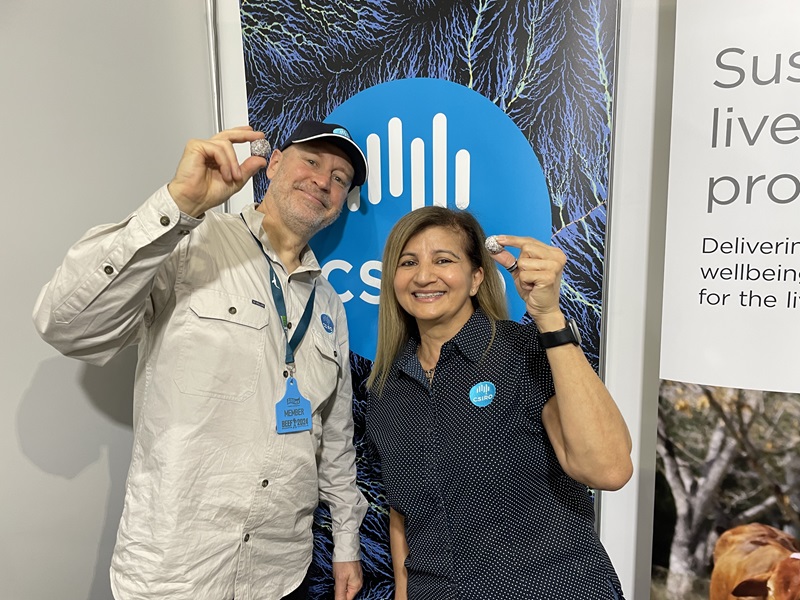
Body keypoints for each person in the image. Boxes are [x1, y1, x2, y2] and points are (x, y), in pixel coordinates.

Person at [33, 121, 370, 600]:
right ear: (273, 164)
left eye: (340, 178)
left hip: (281, 573)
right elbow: (64, 325)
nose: (323, 181)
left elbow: (335, 440)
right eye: (312, 161)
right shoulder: (192, 243)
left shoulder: (329, 305)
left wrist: (345, 546)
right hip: (178, 572)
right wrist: (179, 205)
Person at [365, 206, 633, 599]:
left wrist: (549, 317)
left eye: (443, 260)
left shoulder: (523, 352)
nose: (424, 276)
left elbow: (609, 469)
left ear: (476, 278)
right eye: (408, 262)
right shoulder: (387, 389)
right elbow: (404, 517)